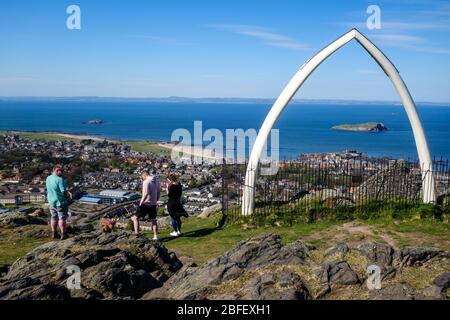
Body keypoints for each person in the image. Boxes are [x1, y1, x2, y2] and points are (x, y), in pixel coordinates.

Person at [131, 170, 160, 239]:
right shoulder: (156, 181)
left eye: (142, 177)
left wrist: (141, 202)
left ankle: (137, 234)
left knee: (135, 218)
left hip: (145, 203)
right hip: (153, 204)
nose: (142, 178)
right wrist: (156, 200)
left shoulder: (146, 182)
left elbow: (145, 194)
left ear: (144, 175)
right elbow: (158, 192)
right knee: (153, 220)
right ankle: (155, 236)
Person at [46, 165, 72, 240]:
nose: (60, 172)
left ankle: (54, 233)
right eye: (58, 170)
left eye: (61, 170)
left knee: (53, 217)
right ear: (54, 170)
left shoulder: (48, 178)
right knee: (62, 218)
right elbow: (63, 192)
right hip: (60, 202)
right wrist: (68, 197)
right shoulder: (60, 180)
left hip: (51, 201)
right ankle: (63, 234)